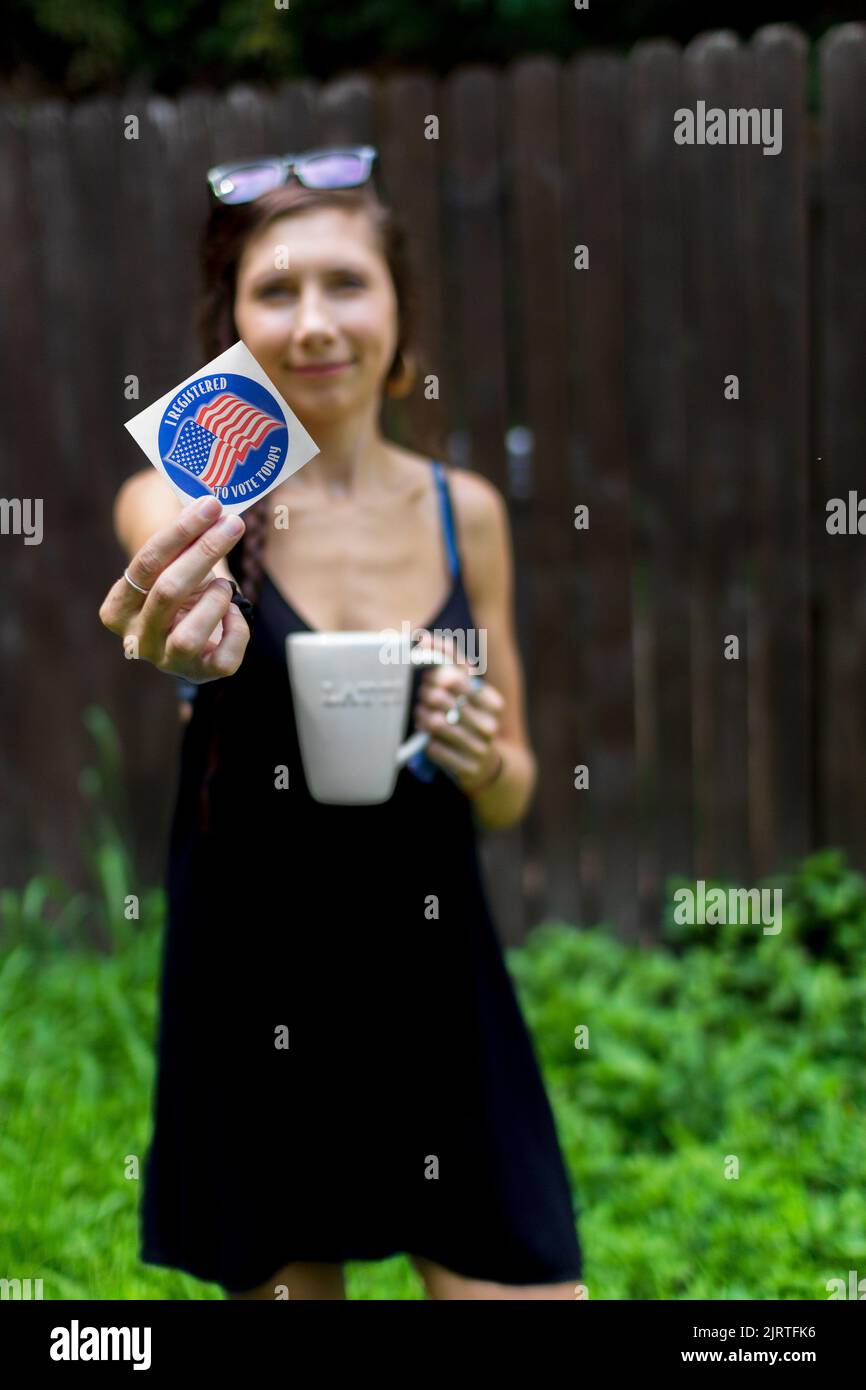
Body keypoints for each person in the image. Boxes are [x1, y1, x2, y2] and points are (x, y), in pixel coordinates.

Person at [98, 145, 583, 1300]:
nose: (313, 321)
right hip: (255, 971)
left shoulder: (468, 516)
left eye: (345, 284)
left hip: (436, 976)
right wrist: (179, 638)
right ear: (234, 331)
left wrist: (479, 756)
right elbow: (161, 609)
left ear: (400, 319)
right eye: (275, 290)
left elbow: (514, 788)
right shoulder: (187, 502)